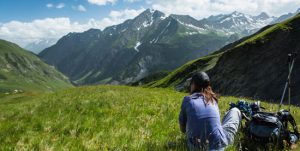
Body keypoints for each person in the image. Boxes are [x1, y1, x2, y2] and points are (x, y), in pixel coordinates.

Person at [179, 72, 241, 151]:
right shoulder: (213, 100)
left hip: (196, 148)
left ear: (193, 85)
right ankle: (239, 140)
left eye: (191, 83)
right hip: (220, 145)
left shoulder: (187, 100)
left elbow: (183, 129)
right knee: (235, 110)